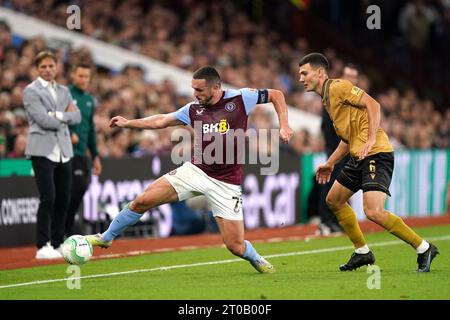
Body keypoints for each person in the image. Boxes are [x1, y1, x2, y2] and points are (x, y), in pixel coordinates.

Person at [86, 66, 293, 273]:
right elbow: (162, 120)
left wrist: (283, 125)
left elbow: (276, 95)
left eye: (200, 90)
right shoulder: (193, 109)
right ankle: (106, 237)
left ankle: (256, 258)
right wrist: (129, 123)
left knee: (235, 246)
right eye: (194, 89)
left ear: (216, 87)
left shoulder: (241, 98)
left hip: (227, 181)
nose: (196, 94)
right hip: (196, 170)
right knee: (143, 200)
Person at [298, 53, 438, 272]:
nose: (301, 78)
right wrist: (331, 163)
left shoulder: (338, 87)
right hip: (359, 155)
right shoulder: (327, 100)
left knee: (373, 211)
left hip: (376, 153)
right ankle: (362, 252)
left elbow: (374, 105)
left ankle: (423, 247)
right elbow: (347, 139)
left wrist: (371, 137)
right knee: (334, 200)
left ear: (319, 73)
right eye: (299, 74)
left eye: (304, 73)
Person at [23, 50, 81, 259]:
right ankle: (42, 245)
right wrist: (64, 117)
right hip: (42, 151)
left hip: (64, 151)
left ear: (57, 67)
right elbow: (42, 121)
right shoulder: (31, 91)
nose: (47, 70)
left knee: (63, 200)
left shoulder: (64, 90)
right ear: (37, 69)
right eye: (43, 67)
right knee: (48, 198)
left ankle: (57, 243)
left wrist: (57, 115)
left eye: (51, 66)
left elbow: (77, 117)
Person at [317, 64, 359, 235]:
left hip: (348, 151)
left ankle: (337, 221)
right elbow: (326, 125)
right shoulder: (334, 94)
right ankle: (326, 221)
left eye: (354, 77)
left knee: (343, 188)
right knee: (330, 184)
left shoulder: (354, 97)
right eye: (348, 75)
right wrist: (332, 149)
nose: (351, 79)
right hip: (336, 149)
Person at [65, 63, 102, 237]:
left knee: (79, 190)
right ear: (73, 75)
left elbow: (91, 128)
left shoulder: (89, 99)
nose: (84, 80)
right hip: (65, 153)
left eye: (86, 77)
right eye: (80, 76)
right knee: (73, 188)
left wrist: (95, 155)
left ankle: (65, 228)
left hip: (81, 154)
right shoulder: (65, 94)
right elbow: (58, 118)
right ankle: (64, 229)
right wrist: (70, 133)